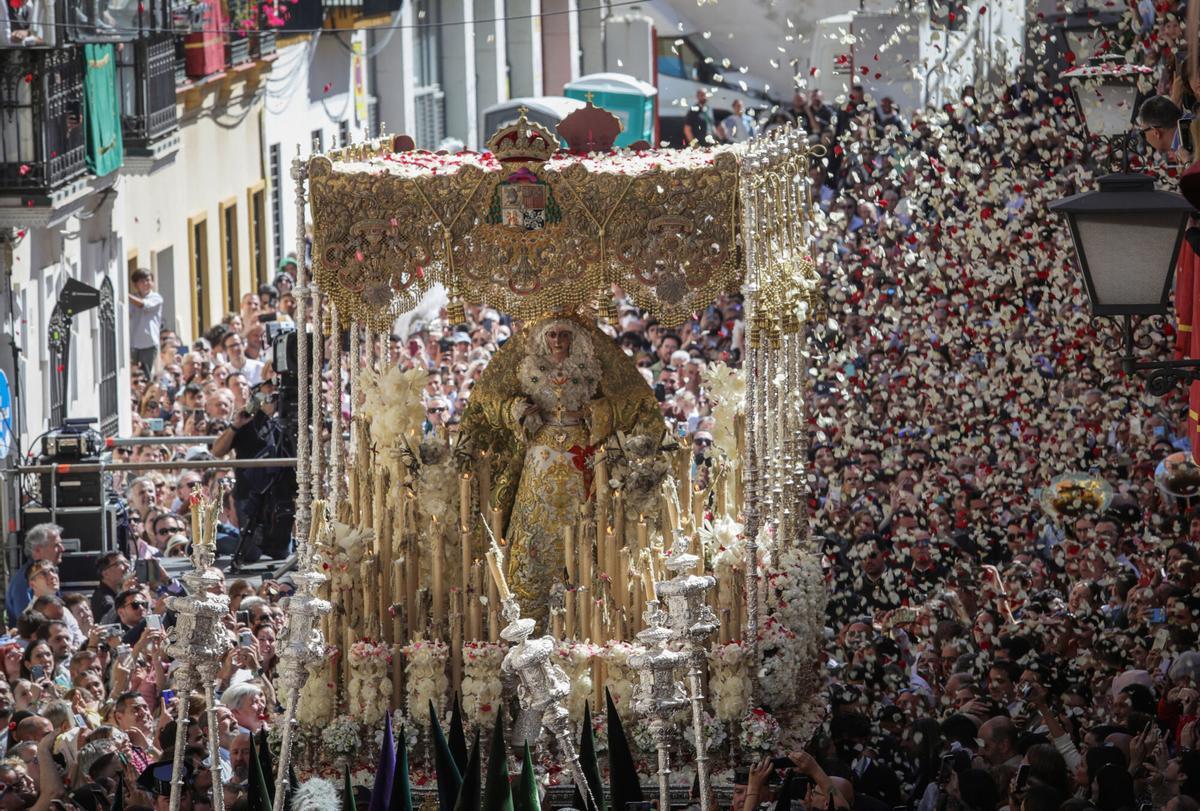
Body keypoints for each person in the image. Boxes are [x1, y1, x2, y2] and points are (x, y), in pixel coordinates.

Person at [6, 524, 63, 623]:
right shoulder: (23, 581)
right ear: (37, 550)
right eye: (56, 545)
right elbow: (27, 623)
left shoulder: (49, 576)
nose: (62, 549)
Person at [129, 268, 164, 378]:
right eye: (141, 281)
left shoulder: (156, 298)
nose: (146, 284)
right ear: (136, 285)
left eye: (148, 280)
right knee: (134, 374)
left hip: (148, 343)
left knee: (145, 374)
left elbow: (143, 305)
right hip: (134, 343)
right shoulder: (133, 298)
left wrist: (127, 295)